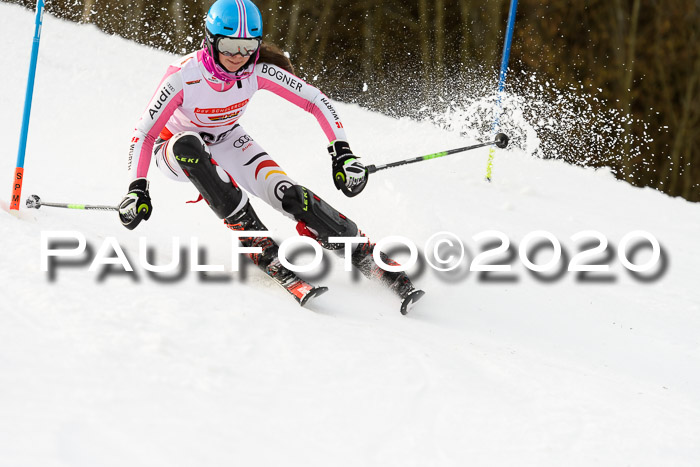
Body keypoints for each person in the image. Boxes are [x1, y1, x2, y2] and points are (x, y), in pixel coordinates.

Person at [117, 0, 423, 313]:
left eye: (248, 46)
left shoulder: (256, 70)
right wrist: (136, 188)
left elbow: (316, 101)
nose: (238, 56)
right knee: (190, 145)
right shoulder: (183, 77)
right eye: (230, 45)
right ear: (209, 40)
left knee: (286, 193)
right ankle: (259, 245)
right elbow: (143, 133)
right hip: (174, 150)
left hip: (227, 139)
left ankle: (364, 253)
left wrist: (342, 153)